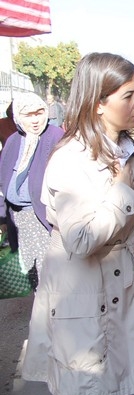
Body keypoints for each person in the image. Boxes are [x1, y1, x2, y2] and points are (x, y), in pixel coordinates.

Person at [21, 53, 134, 395]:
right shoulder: (71, 159)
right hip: (84, 302)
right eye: (129, 96)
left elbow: (123, 219)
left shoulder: (124, 149)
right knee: (92, 390)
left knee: (117, 388)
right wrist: (123, 189)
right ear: (98, 104)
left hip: (115, 291)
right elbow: (81, 239)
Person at [0, 93, 64, 288]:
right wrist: (3, 215)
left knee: (49, 272)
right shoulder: (13, 140)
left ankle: (49, 313)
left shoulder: (55, 136)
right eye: (28, 115)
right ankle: (40, 307)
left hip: (43, 218)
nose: (35, 120)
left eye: (39, 113)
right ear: (18, 118)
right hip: (19, 219)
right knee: (31, 270)